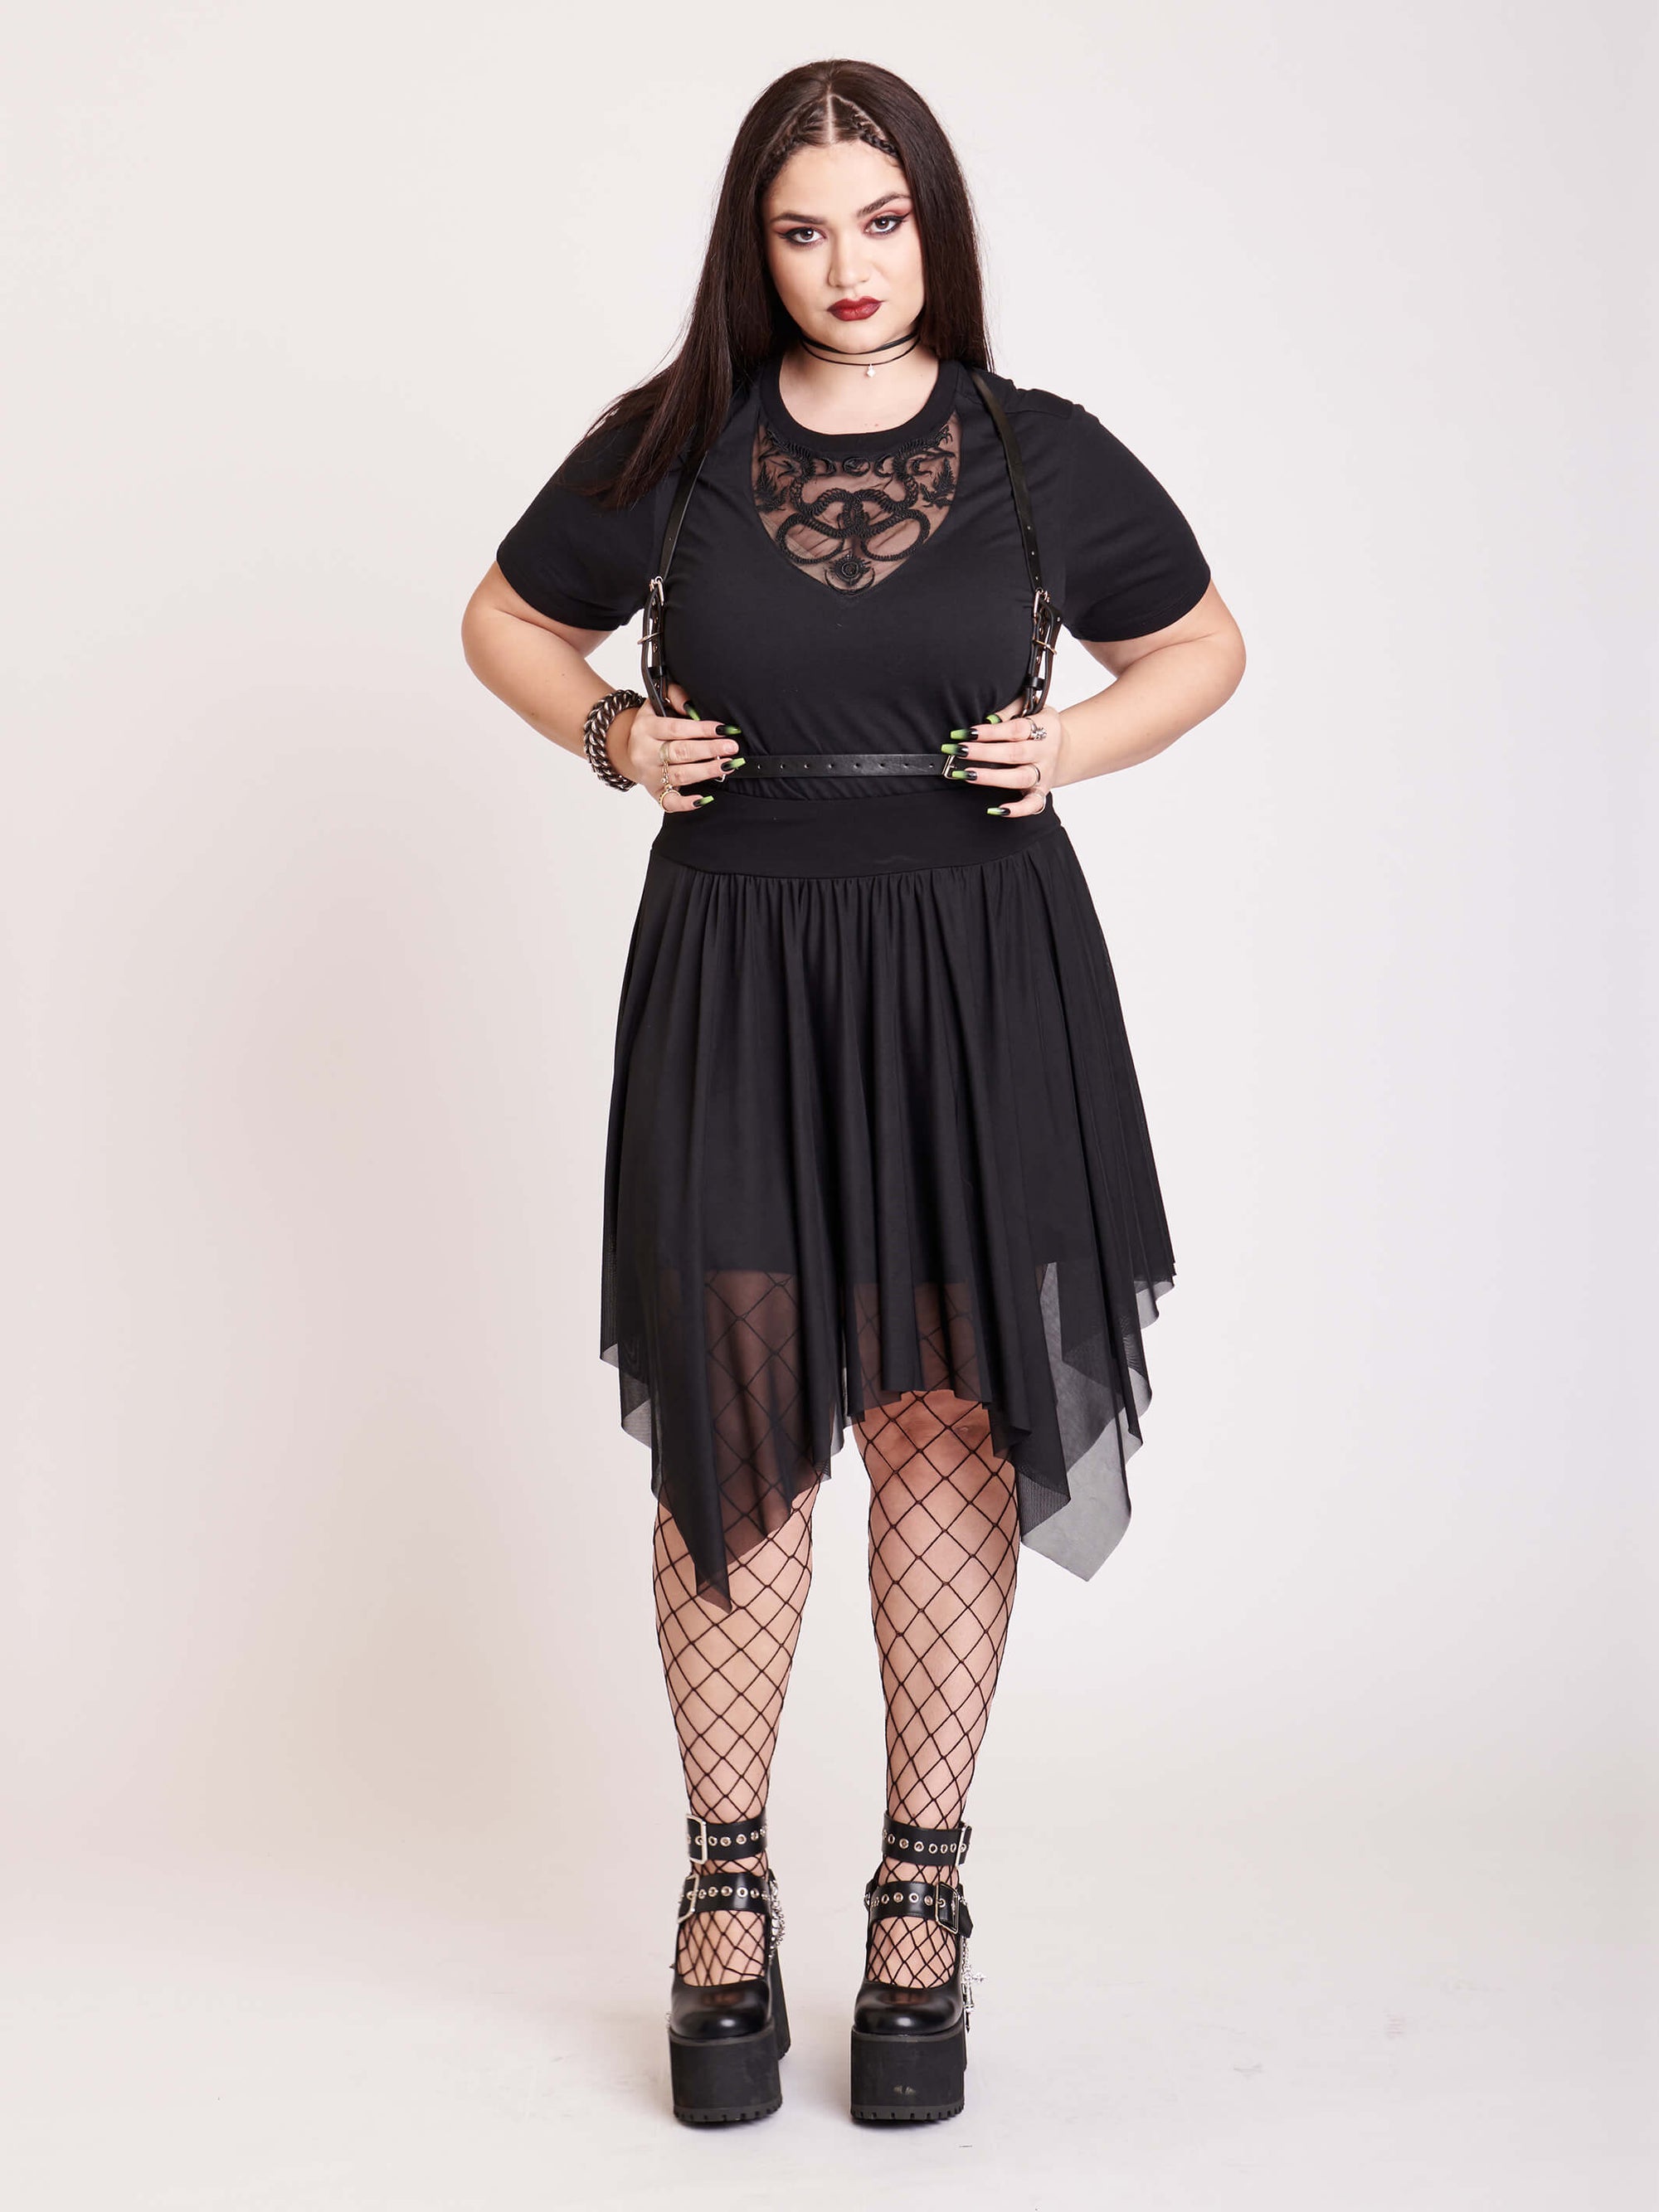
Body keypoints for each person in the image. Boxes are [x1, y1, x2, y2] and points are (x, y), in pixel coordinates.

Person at [461, 56, 1245, 2129]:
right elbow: (504, 618)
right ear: (758, 244)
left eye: (880, 221)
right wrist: (611, 736)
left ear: (933, 229)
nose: (847, 264)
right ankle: (724, 1886)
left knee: (944, 1426)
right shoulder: (672, 446)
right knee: (736, 1433)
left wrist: (1076, 744)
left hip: (978, 977)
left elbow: (1203, 646)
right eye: (803, 227)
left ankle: (922, 1893)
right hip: (736, 968)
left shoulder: (1035, 452)